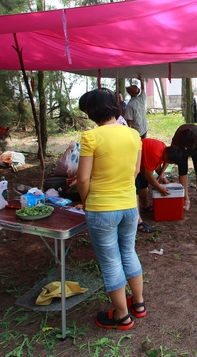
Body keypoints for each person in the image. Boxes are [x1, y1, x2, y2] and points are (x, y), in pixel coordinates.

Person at [76, 88, 145, 330]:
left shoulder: (91, 137)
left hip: (101, 208)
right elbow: (136, 171)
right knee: (128, 252)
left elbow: (82, 179)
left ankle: (122, 316)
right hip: (129, 207)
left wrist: (87, 202)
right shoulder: (133, 134)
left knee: (111, 261)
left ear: (93, 111)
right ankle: (138, 304)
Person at [135, 139, 182, 233]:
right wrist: (159, 188)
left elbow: (156, 165)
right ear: (166, 155)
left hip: (142, 165)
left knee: (143, 185)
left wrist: (162, 177)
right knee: (135, 192)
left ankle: (145, 207)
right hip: (133, 163)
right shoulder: (155, 154)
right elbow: (148, 175)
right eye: (170, 162)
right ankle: (138, 222)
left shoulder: (163, 148)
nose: (169, 164)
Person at [171, 123, 197, 211]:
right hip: (181, 150)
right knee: (182, 171)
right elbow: (172, 149)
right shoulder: (178, 136)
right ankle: (186, 199)